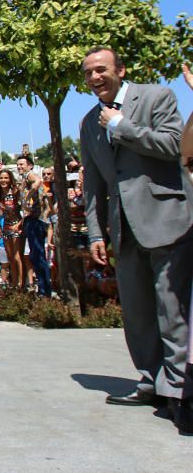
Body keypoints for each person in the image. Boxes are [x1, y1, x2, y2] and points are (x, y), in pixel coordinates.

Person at [80, 46, 193, 432]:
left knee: (170, 308)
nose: (95, 78)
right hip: (123, 228)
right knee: (138, 313)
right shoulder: (87, 122)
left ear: (120, 70)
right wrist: (95, 231)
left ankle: (178, 391)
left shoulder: (157, 97)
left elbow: (174, 146)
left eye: (101, 70)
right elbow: (92, 183)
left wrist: (119, 127)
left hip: (166, 220)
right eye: (89, 73)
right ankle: (150, 380)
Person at [16, 154, 52, 297]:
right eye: (18, 165)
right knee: (35, 255)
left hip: (36, 220)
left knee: (37, 255)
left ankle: (45, 291)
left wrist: (28, 196)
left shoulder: (30, 175)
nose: (19, 167)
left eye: (22, 164)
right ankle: (43, 289)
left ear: (29, 165)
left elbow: (38, 181)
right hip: (32, 219)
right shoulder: (24, 178)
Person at [0, 168, 25, 290]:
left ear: (10, 179)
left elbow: (26, 208)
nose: (3, 180)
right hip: (5, 226)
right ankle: (14, 282)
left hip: (17, 225)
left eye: (6, 178)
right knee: (10, 256)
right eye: (1, 178)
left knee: (17, 256)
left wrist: (21, 223)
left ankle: (21, 284)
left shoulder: (16, 192)